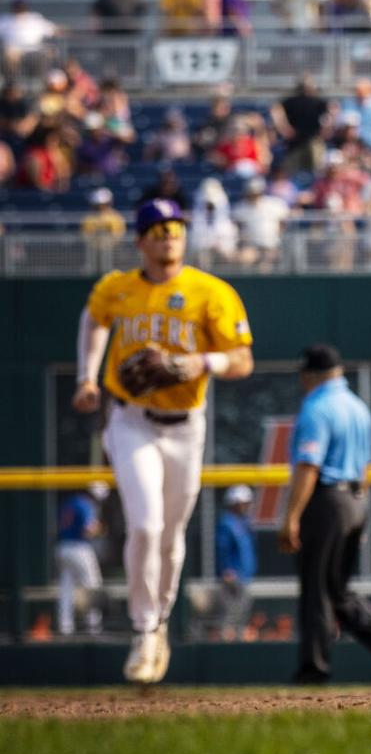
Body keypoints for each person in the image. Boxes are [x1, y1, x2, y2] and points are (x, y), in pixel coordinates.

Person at [71, 197, 255, 684]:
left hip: (186, 425)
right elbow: (93, 321)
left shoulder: (209, 291)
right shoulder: (117, 288)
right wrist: (87, 376)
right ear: (140, 241)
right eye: (157, 228)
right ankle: (143, 628)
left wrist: (202, 362)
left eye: (175, 226)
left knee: (172, 537)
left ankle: (160, 624)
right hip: (130, 420)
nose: (168, 234)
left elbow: (241, 359)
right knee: (147, 526)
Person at [278, 344, 371, 685]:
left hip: (326, 501)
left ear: (309, 375)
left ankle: (314, 669)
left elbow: (309, 466)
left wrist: (292, 515)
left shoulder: (317, 408)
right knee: (338, 590)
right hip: (354, 500)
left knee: (316, 590)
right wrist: (358, 510)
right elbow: (365, 468)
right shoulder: (357, 407)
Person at [55, 481, 108, 636]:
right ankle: (93, 626)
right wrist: (101, 529)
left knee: (66, 587)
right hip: (79, 548)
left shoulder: (70, 502)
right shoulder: (85, 504)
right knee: (92, 584)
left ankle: (65, 626)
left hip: (62, 547)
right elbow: (88, 530)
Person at [216, 485, 257, 641]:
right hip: (233, 575)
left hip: (244, 574)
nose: (246, 506)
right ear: (234, 503)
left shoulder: (243, 522)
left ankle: (238, 641)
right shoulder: (227, 523)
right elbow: (222, 548)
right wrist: (226, 569)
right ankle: (225, 644)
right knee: (230, 613)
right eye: (243, 503)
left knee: (242, 612)